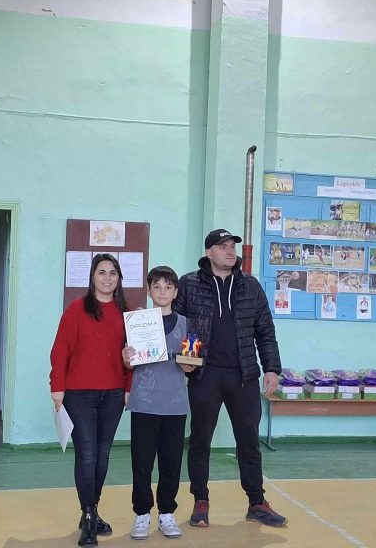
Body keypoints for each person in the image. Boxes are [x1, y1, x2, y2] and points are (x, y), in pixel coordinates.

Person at [173, 229, 287, 528]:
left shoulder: (250, 286)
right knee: (200, 441)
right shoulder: (189, 284)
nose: (229, 251)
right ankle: (200, 501)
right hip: (205, 375)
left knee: (249, 443)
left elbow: (265, 330)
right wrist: (183, 358)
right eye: (222, 246)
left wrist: (272, 368)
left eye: (232, 246)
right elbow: (179, 326)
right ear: (209, 252)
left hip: (243, 376)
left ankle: (256, 502)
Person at [49, 253, 132, 547]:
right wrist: (57, 387)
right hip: (79, 395)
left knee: (103, 454)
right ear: (92, 277)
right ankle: (87, 516)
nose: (107, 278)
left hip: (113, 395)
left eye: (113, 273)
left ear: (119, 278)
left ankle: (92, 509)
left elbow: (132, 356)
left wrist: (128, 386)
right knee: (87, 454)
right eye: (101, 272)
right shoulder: (76, 310)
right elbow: (60, 350)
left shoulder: (127, 314)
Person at [121, 266, 196, 540]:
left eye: (168, 287)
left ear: (175, 292)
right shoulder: (137, 322)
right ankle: (142, 513)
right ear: (149, 290)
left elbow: (192, 361)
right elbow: (128, 362)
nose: (162, 291)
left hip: (175, 406)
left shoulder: (187, 324)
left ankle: (166, 513)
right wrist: (126, 358)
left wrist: (190, 366)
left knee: (171, 463)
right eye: (157, 286)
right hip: (144, 403)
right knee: (141, 463)